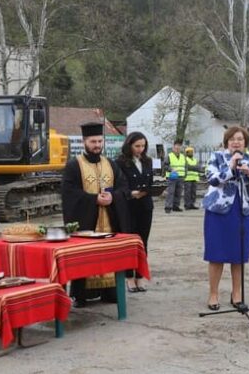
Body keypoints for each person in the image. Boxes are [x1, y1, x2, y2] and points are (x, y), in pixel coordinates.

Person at [61, 122, 130, 307]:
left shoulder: (111, 164)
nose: (97, 145)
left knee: (109, 256)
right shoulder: (74, 165)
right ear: (84, 141)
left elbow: (124, 188)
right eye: (93, 141)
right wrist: (94, 200)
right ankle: (82, 295)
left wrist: (113, 197)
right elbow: (69, 194)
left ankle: (110, 292)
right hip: (87, 222)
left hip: (109, 219)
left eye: (100, 141)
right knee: (85, 257)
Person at [202, 126, 249, 310]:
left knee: (239, 255)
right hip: (218, 212)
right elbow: (212, 179)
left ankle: (237, 293)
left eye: (240, 139)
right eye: (232, 139)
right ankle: (213, 294)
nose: (236, 142)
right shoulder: (216, 157)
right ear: (226, 142)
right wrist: (230, 168)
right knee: (216, 254)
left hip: (243, 211)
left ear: (245, 143)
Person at [116, 132, 155, 293]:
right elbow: (119, 183)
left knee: (142, 242)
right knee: (129, 243)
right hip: (129, 206)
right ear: (129, 145)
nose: (140, 149)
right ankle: (129, 277)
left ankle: (140, 276)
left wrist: (151, 190)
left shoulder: (147, 161)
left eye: (143, 146)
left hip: (145, 206)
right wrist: (130, 193)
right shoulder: (120, 162)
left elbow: (150, 181)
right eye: (137, 146)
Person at [164, 139, 185, 213]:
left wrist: (185, 174)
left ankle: (176, 206)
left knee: (178, 192)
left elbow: (185, 166)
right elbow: (165, 166)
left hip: (181, 177)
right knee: (171, 192)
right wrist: (171, 169)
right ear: (173, 148)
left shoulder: (183, 156)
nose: (178, 150)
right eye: (176, 148)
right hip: (172, 176)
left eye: (179, 148)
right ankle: (168, 207)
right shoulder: (169, 156)